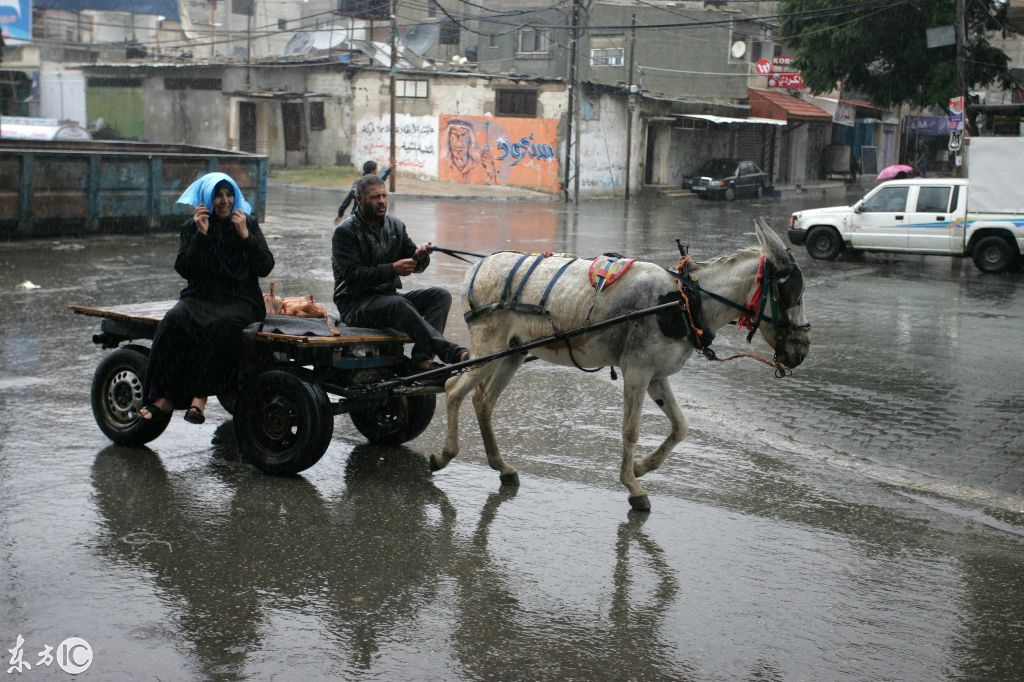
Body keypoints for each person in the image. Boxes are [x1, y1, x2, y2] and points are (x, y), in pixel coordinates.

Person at [139, 172, 275, 424]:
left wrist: (246, 236)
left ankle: (199, 398)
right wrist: (201, 237)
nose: (224, 201)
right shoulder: (192, 227)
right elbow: (185, 269)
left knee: (222, 326)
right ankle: (160, 397)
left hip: (240, 299)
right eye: (217, 196)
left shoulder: (247, 223)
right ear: (206, 200)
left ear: (235, 196)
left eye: (228, 194)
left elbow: (265, 266)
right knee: (172, 320)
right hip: (201, 296)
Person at [331, 174, 468, 371]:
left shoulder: (395, 225)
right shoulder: (345, 232)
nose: (381, 202)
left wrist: (421, 256)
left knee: (440, 296)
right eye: (375, 197)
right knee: (397, 303)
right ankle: (452, 352)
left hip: (389, 300)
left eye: (384, 196)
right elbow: (353, 276)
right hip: (355, 305)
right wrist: (392, 269)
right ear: (359, 200)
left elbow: (415, 264)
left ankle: (422, 358)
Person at [335, 160, 391, 225]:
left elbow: (348, 199)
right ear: (373, 171)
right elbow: (381, 178)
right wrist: (340, 214)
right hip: (361, 217)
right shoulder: (365, 184)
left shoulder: (359, 182)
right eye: (376, 169)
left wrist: (340, 214)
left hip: (361, 216)